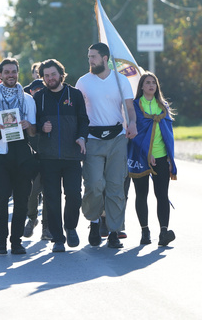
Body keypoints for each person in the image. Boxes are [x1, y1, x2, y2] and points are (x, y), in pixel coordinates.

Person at [75, 42, 137, 249]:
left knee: (115, 186)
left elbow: (129, 107)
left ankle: (113, 230)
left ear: (104, 58)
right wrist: (80, 137)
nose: (90, 60)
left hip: (117, 137)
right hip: (92, 138)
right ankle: (94, 222)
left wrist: (133, 124)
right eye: (88, 56)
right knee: (93, 185)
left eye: (93, 56)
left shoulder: (121, 81)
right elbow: (78, 113)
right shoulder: (83, 82)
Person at [0, 58, 37, 255]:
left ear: (18, 74)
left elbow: (34, 133)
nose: (11, 75)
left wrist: (28, 126)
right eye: (7, 72)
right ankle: (1, 239)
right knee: (1, 199)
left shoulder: (28, 99)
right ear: (1, 75)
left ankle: (16, 240)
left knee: (22, 199)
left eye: (14, 72)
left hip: (21, 156)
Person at [33, 59, 89, 252]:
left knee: (74, 194)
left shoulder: (74, 94)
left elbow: (84, 120)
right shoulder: (38, 98)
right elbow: (33, 125)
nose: (50, 78)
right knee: (52, 198)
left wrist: (82, 137)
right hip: (47, 157)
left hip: (72, 155)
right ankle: (57, 238)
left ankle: (71, 227)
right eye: (46, 76)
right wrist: (41, 126)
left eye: (53, 74)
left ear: (61, 75)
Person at [128, 72, 177, 246]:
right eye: (147, 83)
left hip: (162, 157)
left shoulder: (163, 107)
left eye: (153, 83)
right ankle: (145, 231)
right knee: (142, 194)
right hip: (140, 156)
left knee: (162, 194)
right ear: (141, 86)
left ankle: (164, 232)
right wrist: (147, 153)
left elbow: (169, 135)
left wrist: (171, 159)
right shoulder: (134, 106)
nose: (151, 85)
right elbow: (134, 135)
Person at [22, 78, 52, 240]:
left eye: (41, 89)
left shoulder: (49, 107)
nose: (38, 92)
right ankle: (31, 217)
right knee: (33, 192)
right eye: (35, 90)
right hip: (32, 157)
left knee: (48, 192)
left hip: (50, 155)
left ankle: (46, 226)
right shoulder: (26, 109)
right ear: (31, 92)